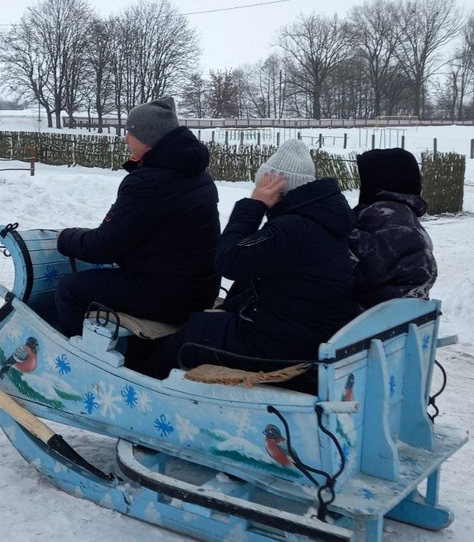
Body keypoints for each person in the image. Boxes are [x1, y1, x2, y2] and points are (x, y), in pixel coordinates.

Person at [132, 139, 356, 381]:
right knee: (203, 322)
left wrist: (253, 205)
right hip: (302, 331)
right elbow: (281, 285)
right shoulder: (320, 221)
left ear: (275, 189)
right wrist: (230, 307)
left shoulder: (291, 229)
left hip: (284, 345)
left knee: (192, 336)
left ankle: (144, 387)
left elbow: (230, 260)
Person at [53, 96, 220, 337]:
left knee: (70, 289)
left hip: (172, 296)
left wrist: (64, 238)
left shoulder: (146, 183)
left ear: (147, 138)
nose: (125, 138)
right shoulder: (197, 174)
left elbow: (104, 246)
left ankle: (75, 356)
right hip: (201, 289)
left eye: (130, 132)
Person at [349, 148, 438, 310]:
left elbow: (343, 272)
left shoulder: (382, 219)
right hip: (397, 322)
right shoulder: (403, 217)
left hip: (367, 324)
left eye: (366, 181)